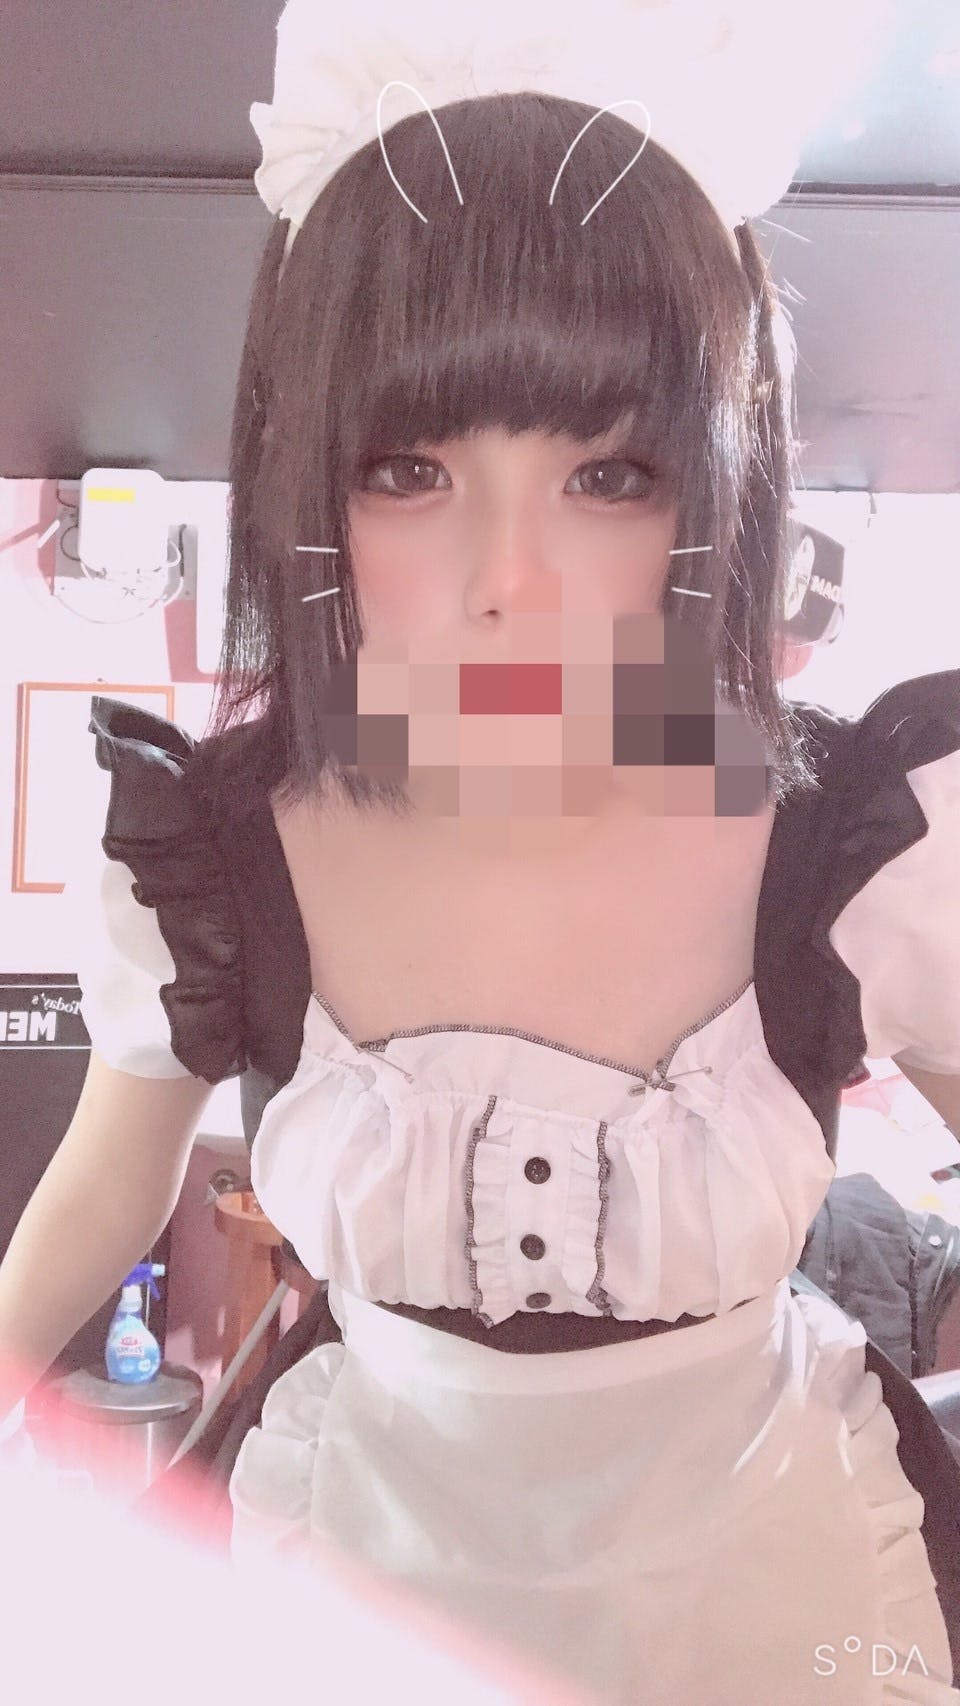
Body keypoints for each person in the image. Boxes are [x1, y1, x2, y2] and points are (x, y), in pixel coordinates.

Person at [2, 4, 959, 1701]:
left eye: (610, 473)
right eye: (408, 468)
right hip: (348, 1584)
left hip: (777, 1593)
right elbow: (103, 1186)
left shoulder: (851, 839)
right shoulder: (218, 853)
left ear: (720, 484)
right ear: (304, 477)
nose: (509, 575)